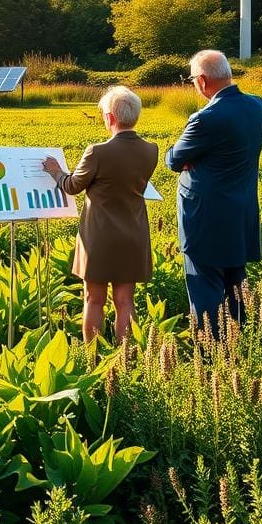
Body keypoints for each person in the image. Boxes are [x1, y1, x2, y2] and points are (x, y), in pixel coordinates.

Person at [165, 50, 262, 337]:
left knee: (204, 283)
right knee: (236, 282)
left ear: (201, 80)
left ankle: (211, 353)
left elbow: (173, 160)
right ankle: (241, 341)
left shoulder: (205, 118)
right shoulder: (258, 106)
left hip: (205, 217)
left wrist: (185, 153)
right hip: (241, 210)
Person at [43, 86, 158, 343]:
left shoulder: (97, 151)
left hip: (100, 236)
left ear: (110, 118)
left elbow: (72, 185)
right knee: (125, 301)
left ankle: (93, 358)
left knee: (94, 299)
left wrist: (55, 171)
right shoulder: (151, 150)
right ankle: (126, 359)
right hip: (133, 234)